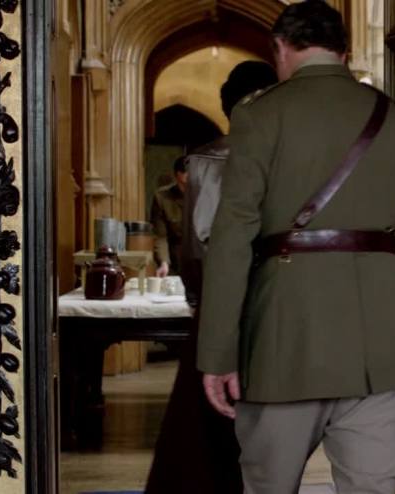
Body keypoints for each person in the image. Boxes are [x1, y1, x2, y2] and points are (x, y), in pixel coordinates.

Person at [197, 2, 395, 493]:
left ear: (280, 48)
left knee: (268, 485)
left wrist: (218, 352)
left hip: (284, 337)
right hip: (383, 342)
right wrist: (392, 311)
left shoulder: (259, 115)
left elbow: (232, 238)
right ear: (345, 51)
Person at [144, 61, 278, 494]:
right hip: (280, 298)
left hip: (223, 300)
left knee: (207, 428)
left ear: (227, 107)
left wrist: (198, 301)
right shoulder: (289, 152)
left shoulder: (206, 159)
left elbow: (197, 247)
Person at [150, 157, 187, 277]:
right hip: (175, 259)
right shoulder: (162, 198)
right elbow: (160, 235)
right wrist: (164, 262)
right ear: (179, 175)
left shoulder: (205, 195)